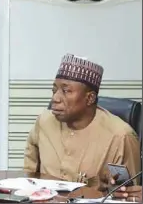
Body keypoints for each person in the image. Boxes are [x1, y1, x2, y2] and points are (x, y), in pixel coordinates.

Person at [23, 53, 141, 190]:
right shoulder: (44, 122)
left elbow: (127, 194)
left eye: (66, 91)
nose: (55, 98)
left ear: (90, 98)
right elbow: (29, 177)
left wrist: (100, 184)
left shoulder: (121, 137)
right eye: (54, 90)